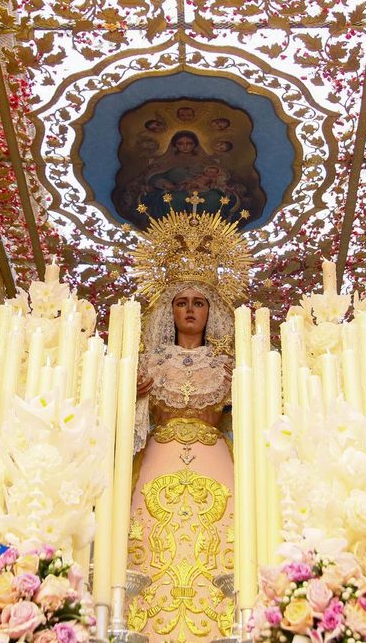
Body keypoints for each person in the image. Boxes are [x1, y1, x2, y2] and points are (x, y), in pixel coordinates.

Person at [121, 211, 250, 643]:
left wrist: (245, 389)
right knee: (149, 537)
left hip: (215, 457)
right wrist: (131, 393)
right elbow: (126, 424)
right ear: (169, 310)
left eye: (198, 302)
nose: (190, 310)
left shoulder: (229, 365)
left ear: (211, 311)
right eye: (181, 302)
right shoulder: (147, 363)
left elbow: (252, 417)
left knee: (223, 537)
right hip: (159, 456)